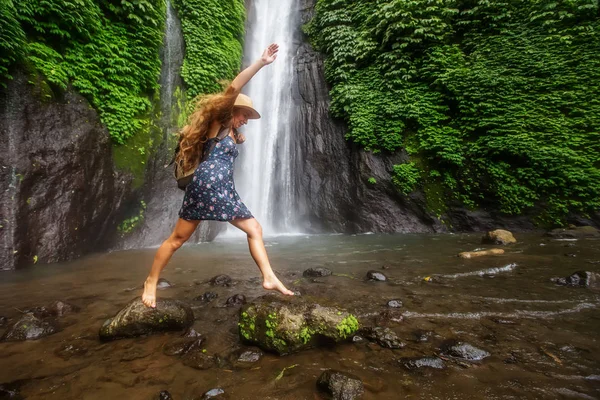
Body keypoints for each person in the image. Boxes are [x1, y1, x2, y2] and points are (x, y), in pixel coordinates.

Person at [142, 43, 294, 308]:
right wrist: (261, 63)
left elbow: (227, 149)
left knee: (249, 229)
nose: (246, 119)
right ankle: (150, 282)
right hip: (208, 187)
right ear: (231, 110)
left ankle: (269, 277)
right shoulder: (219, 123)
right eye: (244, 114)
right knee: (181, 239)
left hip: (222, 190)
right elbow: (233, 88)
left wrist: (239, 139)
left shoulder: (232, 134)